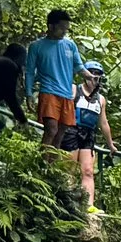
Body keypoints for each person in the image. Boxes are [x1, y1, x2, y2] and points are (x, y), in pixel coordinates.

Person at [63, 63, 116, 220]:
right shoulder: (74, 90)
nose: (94, 76)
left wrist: (110, 144)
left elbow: (103, 122)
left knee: (88, 170)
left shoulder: (100, 99)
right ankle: (67, 202)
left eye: (97, 74)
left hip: (88, 134)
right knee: (69, 168)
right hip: (71, 130)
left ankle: (88, 205)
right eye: (91, 73)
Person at [23, 10, 82, 149]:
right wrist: (29, 94)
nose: (64, 32)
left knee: (61, 133)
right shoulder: (36, 46)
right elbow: (30, 72)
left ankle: (50, 166)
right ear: (51, 26)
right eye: (62, 28)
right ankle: (41, 164)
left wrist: (89, 76)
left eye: (66, 29)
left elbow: (79, 66)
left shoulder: (70, 45)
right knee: (51, 130)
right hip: (48, 91)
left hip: (66, 94)